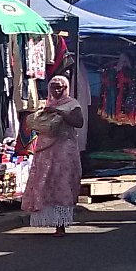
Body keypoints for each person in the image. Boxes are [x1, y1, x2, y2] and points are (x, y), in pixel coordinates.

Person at [20, 74, 86, 235]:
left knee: (61, 183)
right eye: (53, 87)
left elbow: (79, 122)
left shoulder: (72, 104)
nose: (56, 91)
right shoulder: (47, 104)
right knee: (45, 182)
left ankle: (60, 225)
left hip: (64, 151)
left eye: (60, 87)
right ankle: (49, 221)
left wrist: (59, 112)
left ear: (66, 88)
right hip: (46, 151)